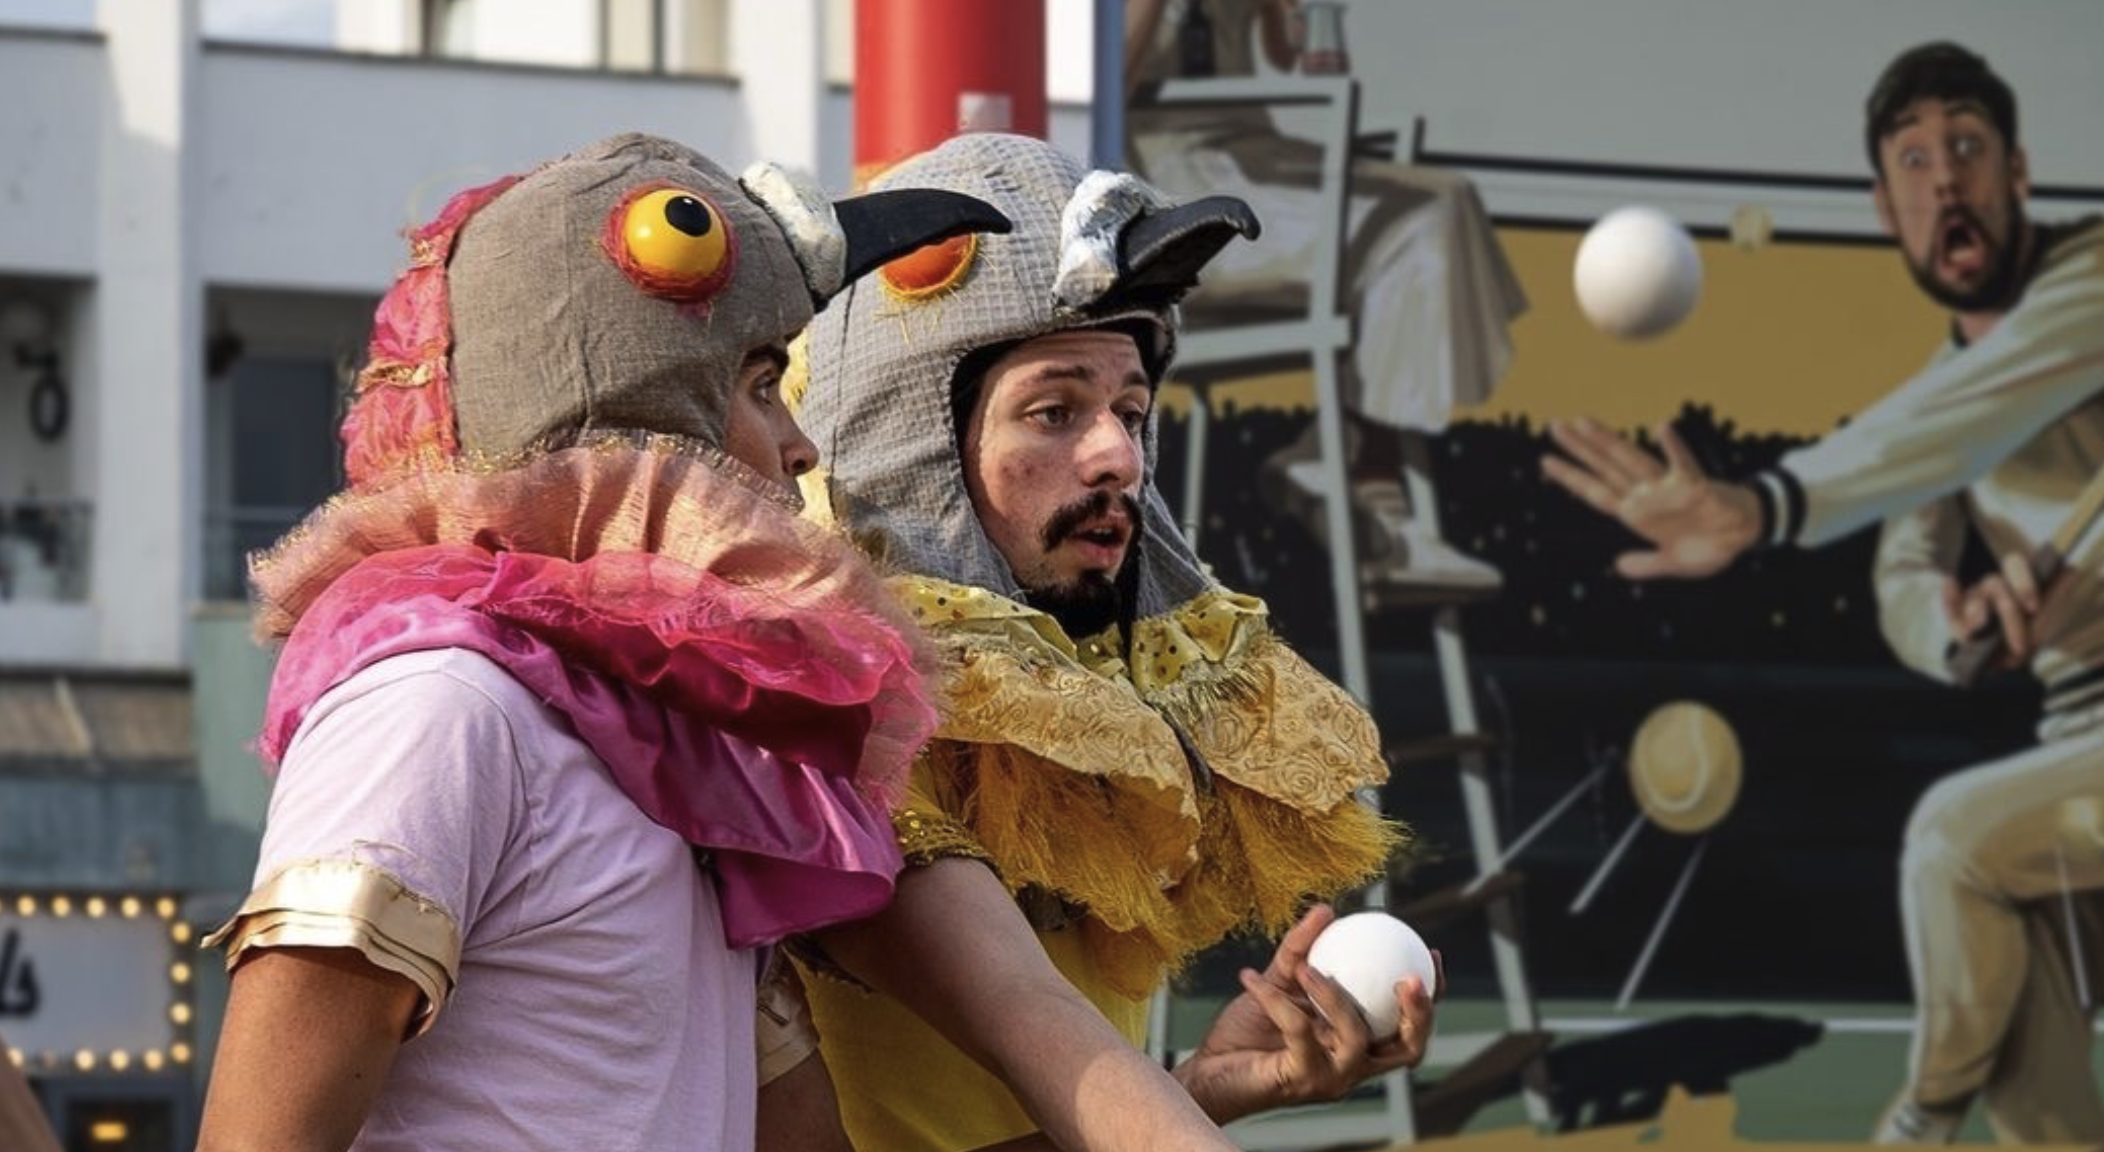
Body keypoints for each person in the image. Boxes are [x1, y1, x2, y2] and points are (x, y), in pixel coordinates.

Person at [193, 132, 1008, 1151]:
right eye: (759, 387)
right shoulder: (439, 707)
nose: (799, 447)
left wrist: (1203, 1086)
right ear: (641, 417)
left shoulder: (682, 758)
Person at [791, 132, 1437, 1152]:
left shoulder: (1099, 709)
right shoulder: (837, 722)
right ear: (907, 447)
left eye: (1129, 411)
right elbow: (1025, 1021)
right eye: (1053, 411)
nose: (1116, 457)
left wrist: (1204, 1088)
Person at [1542, 43, 2104, 1144]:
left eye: (1966, 149)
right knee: (2015, 999)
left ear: (2018, 172)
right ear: (1885, 208)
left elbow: (1973, 411)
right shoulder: (1933, 418)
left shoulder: (2087, 287)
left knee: (1952, 842)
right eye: (1912, 161)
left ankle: (1919, 1122)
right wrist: (1952, 629)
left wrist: (1764, 505)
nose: (1943, 179)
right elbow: (1906, 566)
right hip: (2081, 749)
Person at [1124, 0, 1527, 591]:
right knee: (1414, 226)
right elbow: (1106, 78)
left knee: (1445, 200)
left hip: (1254, 148)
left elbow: (1292, 56)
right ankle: (1364, 474)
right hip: (1174, 176)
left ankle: (1351, 463)